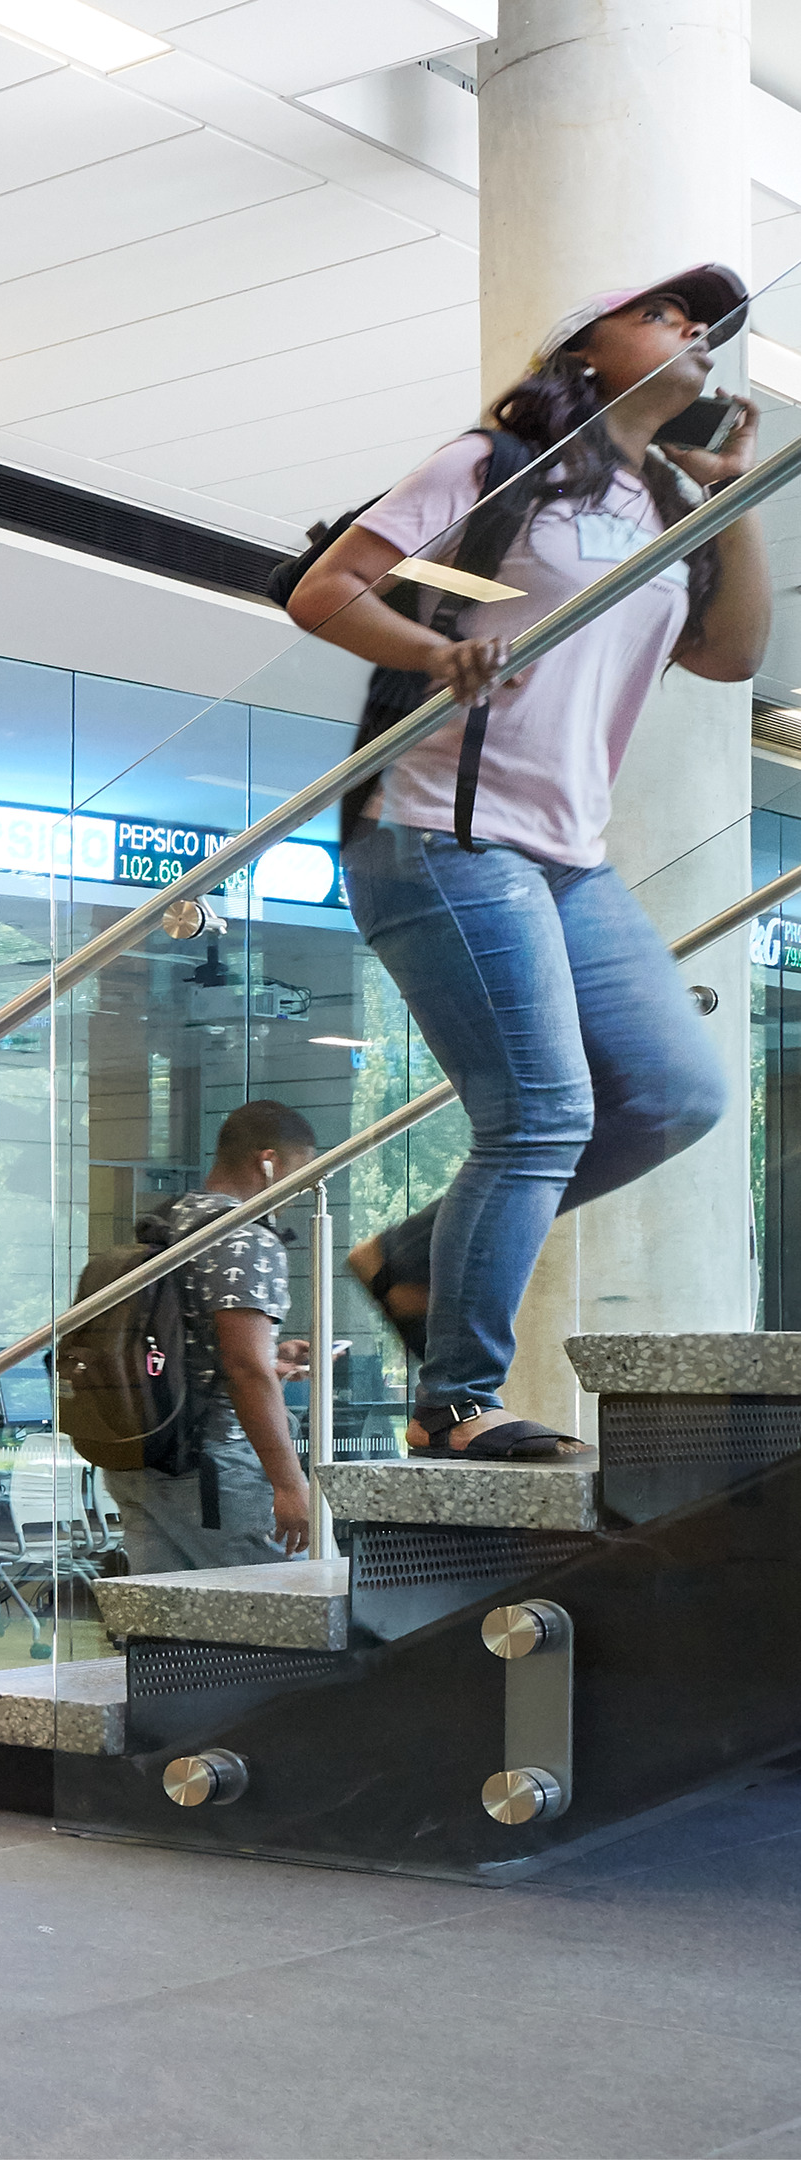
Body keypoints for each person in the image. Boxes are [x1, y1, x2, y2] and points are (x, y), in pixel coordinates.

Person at [286, 266, 763, 1461]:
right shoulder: (491, 465)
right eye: (661, 312)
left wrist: (733, 503)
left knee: (673, 1096)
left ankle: (405, 1259)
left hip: (564, 853)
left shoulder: (663, 502)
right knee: (540, 1112)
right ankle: (453, 1404)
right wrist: (429, 650)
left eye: (700, 323)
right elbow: (325, 589)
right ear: (584, 347)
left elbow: (727, 653)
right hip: (442, 829)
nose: (692, 332)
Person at [110, 1101, 321, 1575]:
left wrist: (274, 1357)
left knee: (168, 1634)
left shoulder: (170, 1220)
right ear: (268, 1162)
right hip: (213, 1468)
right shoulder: (244, 1236)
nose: (300, 1190)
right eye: (300, 1172)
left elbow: (188, 1339)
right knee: (280, 1620)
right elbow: (244, 1369)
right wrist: (288, 1484)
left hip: (142, 1457)